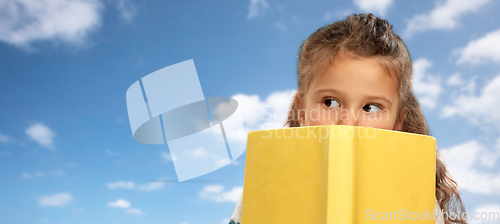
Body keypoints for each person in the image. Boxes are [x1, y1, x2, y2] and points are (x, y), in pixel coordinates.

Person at [229, 13, 466, 224]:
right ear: (301, 112)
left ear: (397, 123)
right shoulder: (264, 185)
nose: (348, 122)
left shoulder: (416, 195)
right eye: (330, 102)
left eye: (371, 107)